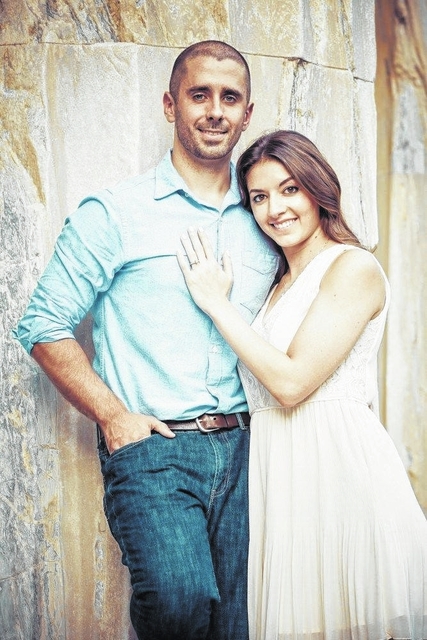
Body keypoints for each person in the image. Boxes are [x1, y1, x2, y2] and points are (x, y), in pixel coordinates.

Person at [13, 41, 280, 640]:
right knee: (178, 604)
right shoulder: (115, 212)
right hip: (156, 449)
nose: (214, 111)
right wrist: (113, 416)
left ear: (247, 114)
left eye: (230, 98)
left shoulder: (266, 218)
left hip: (249, 452)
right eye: (199, 95)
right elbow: (42, 324)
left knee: (236, 626)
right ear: (169, 105)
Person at [177, 129, 427, 639]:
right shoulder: (277, 287)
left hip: (341, 477)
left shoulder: (353, 266)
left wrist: (218, 304)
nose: (275, 209)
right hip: (283, 483)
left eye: (290, 189)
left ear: (318, 188)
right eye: (259, 197)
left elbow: (291, 384)